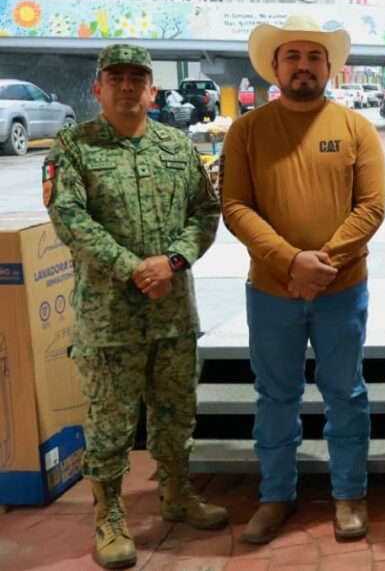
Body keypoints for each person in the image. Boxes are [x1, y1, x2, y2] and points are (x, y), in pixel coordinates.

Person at [45, 44, 225, 569]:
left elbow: (205, 212)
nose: (127, 86)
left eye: (137, 78)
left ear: (152, 90)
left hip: (173, 312)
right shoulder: (73, 147)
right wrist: (135, 268)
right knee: (110, 422)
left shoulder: (176, 146)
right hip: (108, 318)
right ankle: (109, 516)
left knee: (176, 412)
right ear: (98, 89)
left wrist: (171, 261)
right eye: (116, 77)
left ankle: (177, 493)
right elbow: (70, 220)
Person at [221, 15, 385, 544]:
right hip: (273, 292)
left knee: (346, 394)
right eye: (292, 56)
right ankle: (275, 496)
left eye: (314, 57)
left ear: (329, 68)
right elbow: (235, 206)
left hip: (342, 290)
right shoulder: (247, 131)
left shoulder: (356, 129)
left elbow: (371, 207)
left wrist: (321, 265)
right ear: (274, 66)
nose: (303, 66)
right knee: (276, 396)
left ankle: (349, 494)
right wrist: (290, 261)